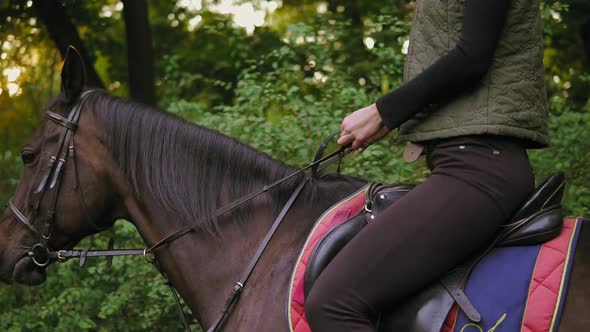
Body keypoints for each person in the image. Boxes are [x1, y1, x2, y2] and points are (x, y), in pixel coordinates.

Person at [304, 0, 548, 331]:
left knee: (333, 304)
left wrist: (382, 113)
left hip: (479, 170)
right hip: (468, 164)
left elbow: (472, 57)